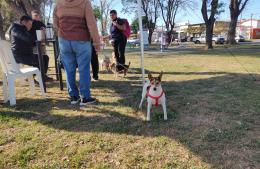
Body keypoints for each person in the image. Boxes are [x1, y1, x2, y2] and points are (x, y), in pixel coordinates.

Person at [53, 0, 100, 105]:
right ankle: (85, 97)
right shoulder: (84, 2)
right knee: (84, 69)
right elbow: (91, 23)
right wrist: (96, 42)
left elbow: (55, 23)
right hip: (81, 40)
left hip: (64, 40)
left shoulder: (58, 4)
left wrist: (62, 32)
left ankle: (74, 97)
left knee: (69, 70)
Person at [10, 15, 50, 80]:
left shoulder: (22, 29)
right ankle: (38, 77)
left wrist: (39, 41)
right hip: (19, 56)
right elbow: (28, 39)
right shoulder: (16, 29)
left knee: (45, 58)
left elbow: (29, 42)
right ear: (23, 22)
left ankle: (38, 76)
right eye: (29, 24)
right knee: (41, 59)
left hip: (26, 54)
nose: (30, 26)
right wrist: (38, 35)